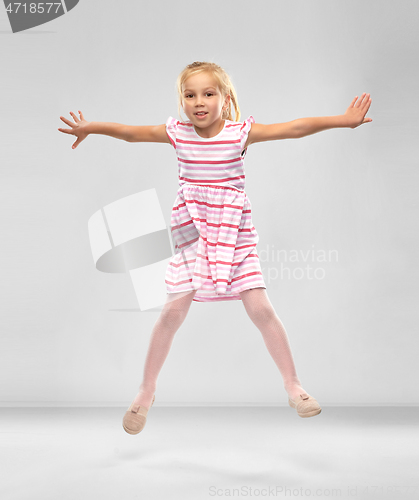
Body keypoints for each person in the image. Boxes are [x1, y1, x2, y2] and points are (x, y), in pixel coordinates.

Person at [58, 61, 372, 434]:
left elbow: (295, 128)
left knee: (260, 308)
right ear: (182, 101)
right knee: (172, 314)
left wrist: (343, 119)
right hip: (192, 236)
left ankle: (293, 385)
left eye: (208, 93)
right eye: (189, 95)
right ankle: (146, 391)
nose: (198, 102)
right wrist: (90, 127)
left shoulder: (241, 133)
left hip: (235, 235)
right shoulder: (178, 134)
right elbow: (130, 133)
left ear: (226, 99)